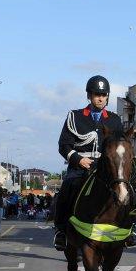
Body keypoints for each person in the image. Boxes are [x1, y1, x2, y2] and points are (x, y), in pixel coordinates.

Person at [52, 75, 125, 251]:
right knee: (66, 189)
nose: (100, 98)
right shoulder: (75, 116)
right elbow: (64, 145)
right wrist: (78, 159)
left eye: (103, 94)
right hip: (80, 167)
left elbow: (120, 145)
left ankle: (127, 228)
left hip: (105, 168)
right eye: (96, 94)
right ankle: (61, 230)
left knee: (125, 190)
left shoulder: (114, 120)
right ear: (89, 96)